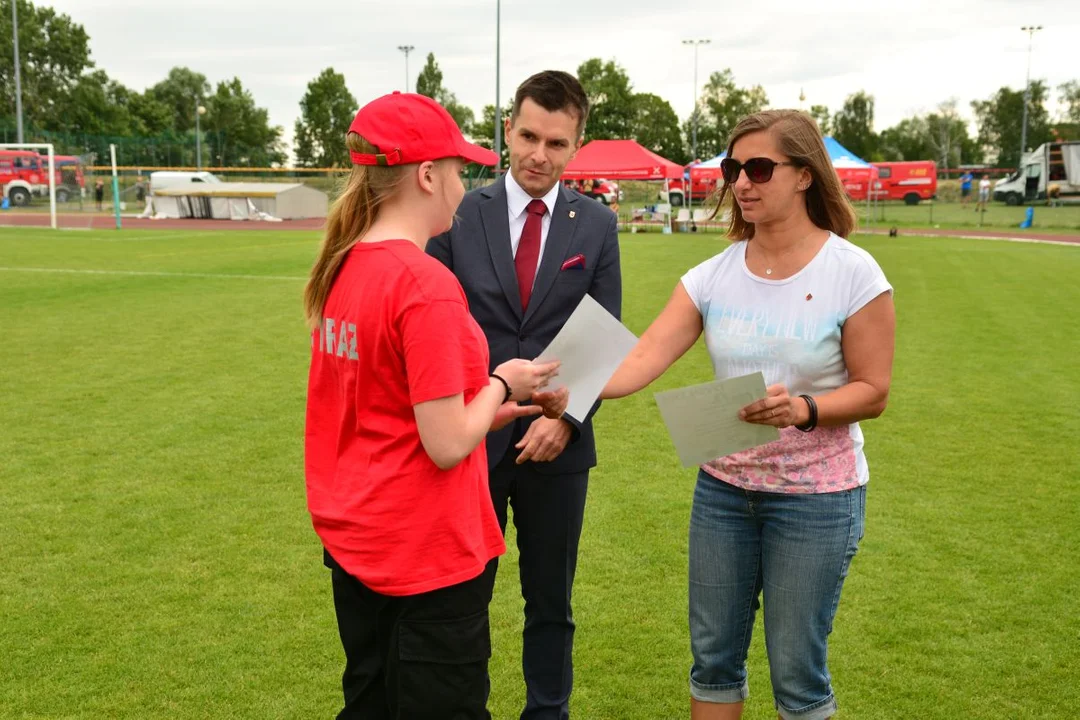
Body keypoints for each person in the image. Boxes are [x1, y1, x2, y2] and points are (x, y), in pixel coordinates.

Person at [602, 109, 895, 720]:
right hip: (724, 494)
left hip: (817, 499)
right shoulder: (712, 275)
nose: (740, 182)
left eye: (758, 167)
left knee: (796, 674)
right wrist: (566, 387)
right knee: (712, 662)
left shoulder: (853, 272)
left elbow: (874, 390)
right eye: (733, 168)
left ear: (805, 175)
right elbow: (643, 356)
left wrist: (804, 408)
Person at [303, 91, 568, 720]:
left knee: (371, 701)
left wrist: (482, 404)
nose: (463, 183)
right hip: (421, 549)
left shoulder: (346, 265)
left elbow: (390, 403)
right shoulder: (423, 282)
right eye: (456, 169)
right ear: (426, 175)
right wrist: (503, 383)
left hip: (360, 539)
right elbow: (446, 443)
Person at [427, 70, 622, 720]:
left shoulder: (595, 225)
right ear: (509, 128)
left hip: (557, 446)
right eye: (530, 135)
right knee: (461, 597)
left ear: (576, 146)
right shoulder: (459, 214)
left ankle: (548, 712)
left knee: (551, 603)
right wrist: (476, 410)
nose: (540, 154)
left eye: (557, 143)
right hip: (473, 438)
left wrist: (566, 421)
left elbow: (603, 330)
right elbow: (439, 326)